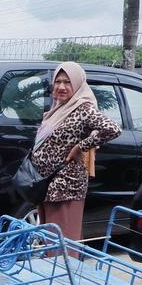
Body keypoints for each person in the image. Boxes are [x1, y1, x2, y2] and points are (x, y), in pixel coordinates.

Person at [29, 61, 121, 243]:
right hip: (47, 185)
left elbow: (112, 129)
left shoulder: (83, 108)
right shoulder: (58, 109)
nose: (61, 87)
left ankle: (62, 270)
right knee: (51, 241)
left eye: (67, 82)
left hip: (66, 187)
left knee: (62, 243)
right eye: (58, 81)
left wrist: (81, 146)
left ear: (78, 84)